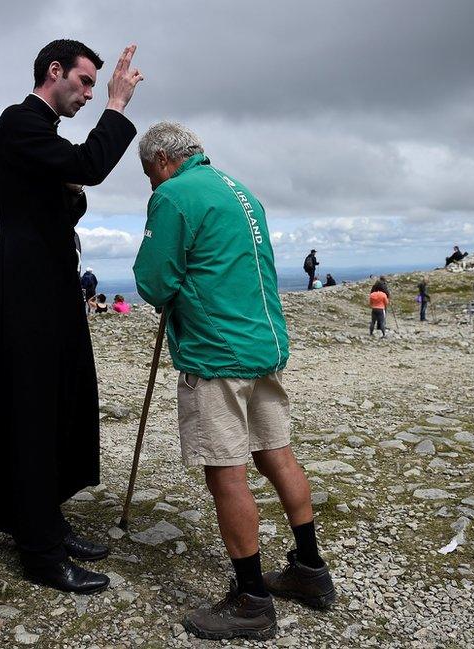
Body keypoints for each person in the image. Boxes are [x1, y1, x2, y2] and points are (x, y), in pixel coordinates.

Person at [0, 40, 142, 595]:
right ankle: (40, 553)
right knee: (31, 407)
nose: (88, 94)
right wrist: (117, 107)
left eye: (97, 89)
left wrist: (69, 192)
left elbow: (63, 194)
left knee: (60, 401)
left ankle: (43, 519)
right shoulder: (18, 123)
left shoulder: (41, 133)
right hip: (26, 289)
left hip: (50, 285)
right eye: (83, 82)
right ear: (54, 72)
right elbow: (89, 166)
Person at [133, 122, 334, 641]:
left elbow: (154, 281)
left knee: (226, 470)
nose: (151, 185)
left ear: (161, 160)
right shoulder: (242, 191)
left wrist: (172, 286)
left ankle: (251, 600)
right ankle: (309, 570)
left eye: (148, 174)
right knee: (276, 450)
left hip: (216, 352)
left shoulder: (174, 194)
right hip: (264, 344)